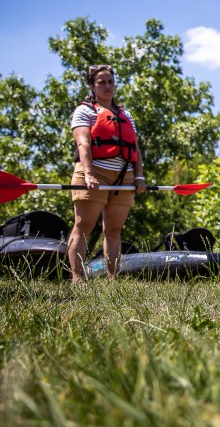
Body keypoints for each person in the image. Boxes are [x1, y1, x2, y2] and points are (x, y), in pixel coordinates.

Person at [66, 64, 145, 282]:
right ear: (92, 85)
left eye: (110, 81)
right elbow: (83, 143)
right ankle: (78, 279)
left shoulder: (125, 114)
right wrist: (89, 175)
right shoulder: (85, 110)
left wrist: (139, 176)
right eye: (101, 82)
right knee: (83, 226)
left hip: (123, 176)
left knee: (114, 230)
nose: (107, 86)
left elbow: (135, 148)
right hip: (94, 173)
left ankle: (113, 280)